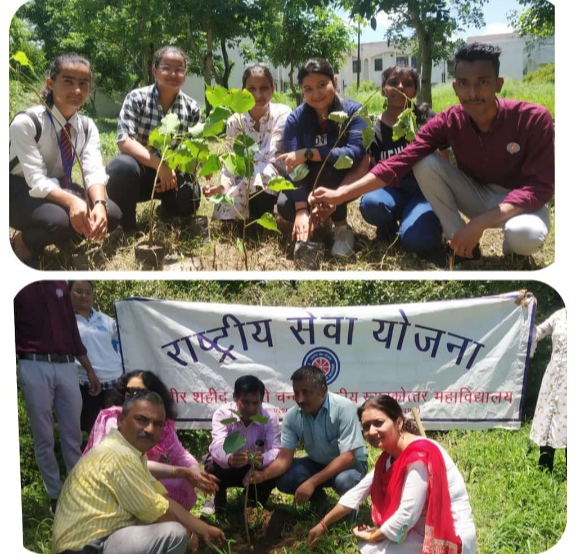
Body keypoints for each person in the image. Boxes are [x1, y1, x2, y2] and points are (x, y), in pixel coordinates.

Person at [310, 42, 554, 267]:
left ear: (498, 84)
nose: (472, 92)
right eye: (464, 83)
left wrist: (480, 223)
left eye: (482, 82)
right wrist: (339, 194)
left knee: (525, 236)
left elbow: (541, 187)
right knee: (423, 161)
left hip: (520, 203)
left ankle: (512, 248)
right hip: (477, 195)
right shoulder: (450, 120)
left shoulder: (533, 118)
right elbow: (399, 162)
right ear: (455, 87)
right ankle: (465, 250)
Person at [53, 390, 226, 554]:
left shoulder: (131, 453)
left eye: (157, 424)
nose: (150, 429)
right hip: (85, 548)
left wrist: (204, 529)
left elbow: (164, 502)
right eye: (141, 420)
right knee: (174, 534)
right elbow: (160, 513)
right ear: (120, 420)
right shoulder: (119, 455)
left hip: (100, 542)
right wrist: (189, 535)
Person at [307, 395, 476, 553]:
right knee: (369, 548)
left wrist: (373, 536)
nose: (372, 431)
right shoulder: (389, 457)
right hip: (418, 527)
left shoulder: (419, 455)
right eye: (366, 426)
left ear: (399, 423)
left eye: (379, 423)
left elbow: (406, 516)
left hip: (447, 533)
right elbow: (358, 493)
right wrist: (323, 524)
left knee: (372, 545)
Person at [9, 53, 121, 267]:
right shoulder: (27, 122)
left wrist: (98, 204)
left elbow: (93, 170)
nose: (77, 90)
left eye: (83, 83)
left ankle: (65, 235)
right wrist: (72, 202)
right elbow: (35, 180)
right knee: (59, 222)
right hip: (16, 188)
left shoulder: (87, 127)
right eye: (68, 81)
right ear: (50, 83)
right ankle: (23, 240)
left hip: (57, 185)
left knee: (111, 214)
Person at [14, 280, 101, 515]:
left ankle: (78, 491)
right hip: (32, 363)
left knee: (72, 433)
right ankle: (56, 495)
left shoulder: (60, 283)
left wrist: (90, 370)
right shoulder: (18, 286)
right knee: (44, 436)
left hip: (66, 365)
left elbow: (73, 332)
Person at [84, 370, 218, 510]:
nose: (135, 397)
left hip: (147, 480)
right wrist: (182, 471)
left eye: (141, 392)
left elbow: (180, 454)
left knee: (184, 482)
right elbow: (124, 464)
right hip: (117, 482)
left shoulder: (161, 423)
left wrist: (195, 472)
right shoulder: (115, 420)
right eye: (130, 391)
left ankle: (167, 520)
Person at [276, 58, 369, 257]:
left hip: (343, 179)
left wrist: (310, 153)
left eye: (321, 85)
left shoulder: (354, 111)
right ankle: (314, 218)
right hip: (309, 179)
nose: (315, 94)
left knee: (331, 168)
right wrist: (301, 208)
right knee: (286, 205)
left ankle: (342, 227)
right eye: (308, 89)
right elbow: (292, 165)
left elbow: (354, 154)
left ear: (334, 82)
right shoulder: (296, 119)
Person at [244, 365, 368, 513]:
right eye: (296, 393)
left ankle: (348, 516)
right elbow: (284, 458)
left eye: (306, 393)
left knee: (346, 480)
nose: (299, 399)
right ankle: (319, 500)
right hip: (317, 463)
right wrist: (263, 475)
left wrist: (312, 481)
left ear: (322, 390)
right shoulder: (292, 416)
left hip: (351, 465)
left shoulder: (344, 408)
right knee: (285, 479)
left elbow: (348, 457)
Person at [106, 46, 201, 231]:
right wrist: (159, 165)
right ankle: (127, 224)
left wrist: (179, 166)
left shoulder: (191, 107)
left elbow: (194, 148)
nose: (173, 73)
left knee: (190, 195)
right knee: (119, 168)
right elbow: (124, 140)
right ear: (154, 70)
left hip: (172, 174)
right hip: (138, 171)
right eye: (167, 67)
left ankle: (167, 212)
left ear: (185, 73)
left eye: (179, 69)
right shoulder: (137, 98)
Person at [357, 65, 443, 255]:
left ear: (415, 91)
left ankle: (422, 224)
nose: (400, 87)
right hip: (390, 191)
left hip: (424, 194)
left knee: (416, 242)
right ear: (382, 89)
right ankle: (387, 226)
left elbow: (445, 163)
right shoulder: (373, 127)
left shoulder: (428, 118)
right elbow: (365, 169)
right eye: (393, 82)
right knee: (371, 204)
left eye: (408, 84)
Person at [203, 64, 291, 221]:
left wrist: (237, 186)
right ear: (243, 91)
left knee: (263, 173)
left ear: (273, 88)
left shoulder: (282, 114)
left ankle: (261, 213)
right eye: (252, 89)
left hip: (272, 181)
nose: (258, 94)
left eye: (264, 88)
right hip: (243, 182)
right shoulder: (234, 122)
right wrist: (224, 187)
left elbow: (272, 156)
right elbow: (230, 165)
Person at [202, 375, 281, 514]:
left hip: (254, 466)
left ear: (262, 400)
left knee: (274, 469)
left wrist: (262, 459)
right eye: (245, 402)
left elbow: (275, 449)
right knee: (213, 465)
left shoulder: (269, 418)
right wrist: (230, 459)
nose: (251, 409)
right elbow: (217, 445)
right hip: (227, 466)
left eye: (256, 403)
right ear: (235, 398)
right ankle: (217, 501)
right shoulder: (223, 414)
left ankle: (250, 503)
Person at [69, 280, 124, 435]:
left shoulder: (105, 319)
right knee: (90, 430)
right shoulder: (66, 321)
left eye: (88, 292)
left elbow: (125, 335)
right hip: (85, 385)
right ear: (68, 293)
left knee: (117, 431)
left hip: (114, 382)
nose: (84, 296)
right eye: (78, 291)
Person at [530, 307, 567, 472]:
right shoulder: (559, 315)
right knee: (548, 419)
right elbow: (537, 332)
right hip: (553, 379)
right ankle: (545, 469)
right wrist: (525, 311)